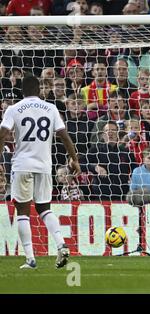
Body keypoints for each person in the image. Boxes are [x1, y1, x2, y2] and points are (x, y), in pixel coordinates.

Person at [0, 75, 81, 269]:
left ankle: (30, 259)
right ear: (38, 90)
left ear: (22, 91)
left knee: (22, 211)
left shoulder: (13, 109)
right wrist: (74, 159)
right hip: (44, 166)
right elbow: (64, 135)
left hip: (22, 165)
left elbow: (3, 134)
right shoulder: (51, 108)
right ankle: (61, 243)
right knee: (45, 208)